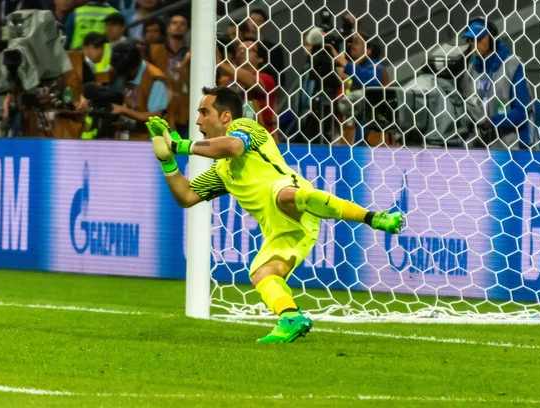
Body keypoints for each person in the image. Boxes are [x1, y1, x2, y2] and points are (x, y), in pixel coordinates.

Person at [145, 86, 405, 343]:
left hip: (294, 198)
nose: (198, 119)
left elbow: (233, 146)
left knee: (283, 194)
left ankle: (374, 217)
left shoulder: (246, 127)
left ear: (225, 116)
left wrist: (181, 145)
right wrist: (168, 163)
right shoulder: (222, 171)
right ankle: (291, 317)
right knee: (261, 273)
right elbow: (187, 196)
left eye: (204, 112)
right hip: (283, 230)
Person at [460, 17, 534, 150]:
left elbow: (521, 114)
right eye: (471, 40)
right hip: (477, 148)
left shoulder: (512, 66)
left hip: (509, 149)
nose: (474, 45)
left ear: (492, 39)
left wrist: (491, 122)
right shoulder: (470, 70)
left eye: (479, 40)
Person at [110, 39, 168, 140]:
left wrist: (123, 110)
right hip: (125, 136)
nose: (123, 76)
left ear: (136, 67)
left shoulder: (155, 80)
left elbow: (156, 117)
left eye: (126, 73)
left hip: (149, 141)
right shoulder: (118, 68)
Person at [145, 12, 190, 135]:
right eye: (174, 23)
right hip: (158, 107)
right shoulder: (154, 50)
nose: (178, 26)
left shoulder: (192, 54)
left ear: (187, 29)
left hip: (183, 110)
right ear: (168, 28)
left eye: (182, 24)